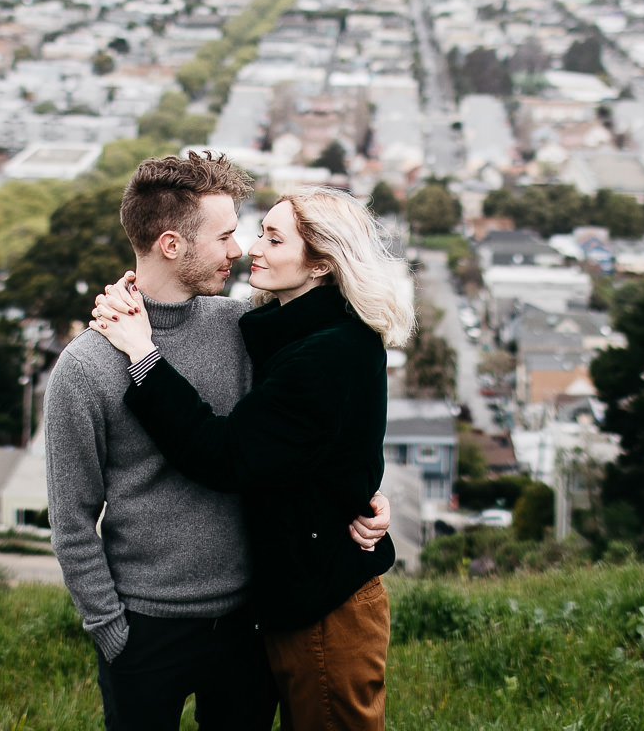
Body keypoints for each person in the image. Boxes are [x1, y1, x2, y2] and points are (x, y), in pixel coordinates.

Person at [46, 155, 389, 731]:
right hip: (145, 628)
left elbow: (309, 425)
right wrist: (110, 629)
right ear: (173, 244)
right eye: (228, 235)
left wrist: (363, 495)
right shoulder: (86, 366)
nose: (241, 250)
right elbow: (72, 518)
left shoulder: (241, 326)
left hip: (247, 623)